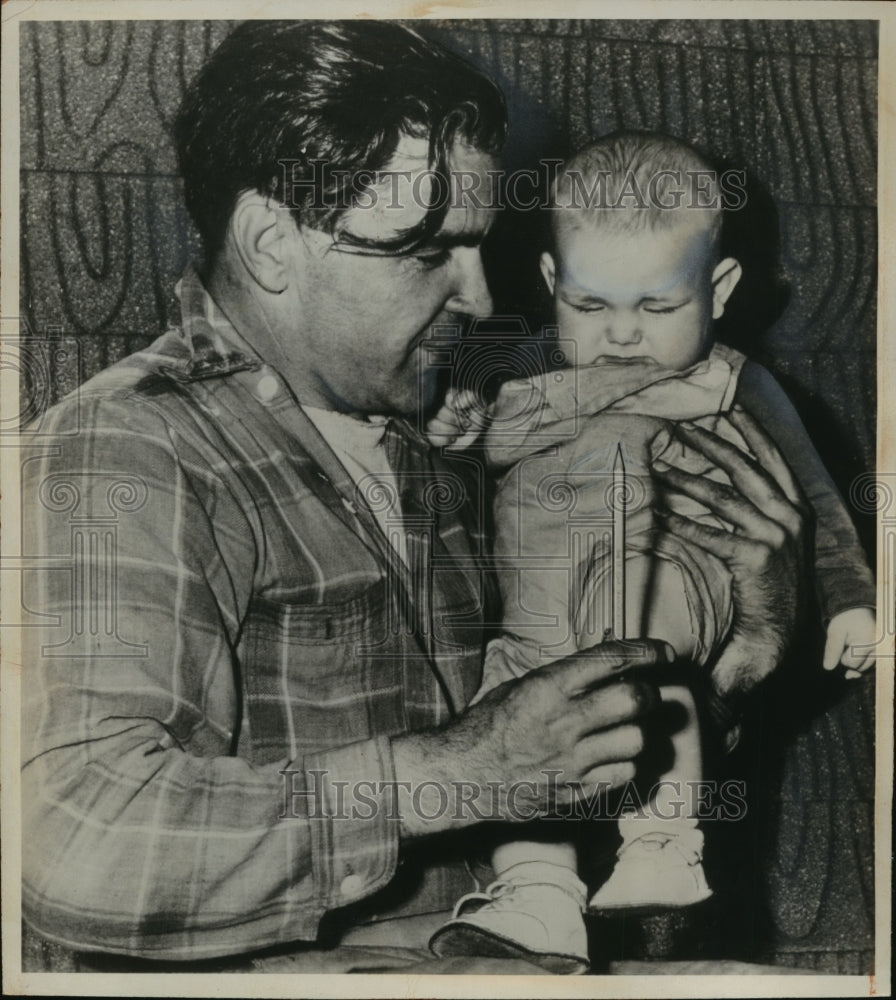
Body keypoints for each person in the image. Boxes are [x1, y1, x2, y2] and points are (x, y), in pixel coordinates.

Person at [20, 26, 808, 973]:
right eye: (425, 250)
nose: (480, 295)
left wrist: (743, 661)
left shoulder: (450, 431)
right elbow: (76, 845)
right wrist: (458, 776)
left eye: (480, 246)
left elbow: (573, 762)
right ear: (274, 243)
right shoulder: (128, 447)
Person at [427, 131, 876, 972]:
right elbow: (458, 471)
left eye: (658, 308)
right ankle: (537, 892)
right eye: (591, 308)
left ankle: (664, 844)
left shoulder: (740, 381)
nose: (623, 336)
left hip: (675, 575)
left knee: (650, 671)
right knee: (520, 699)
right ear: (554, 283)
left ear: (720, 289)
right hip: (543, 594)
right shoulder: (522, 364)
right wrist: (454, 437)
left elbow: (818, 500)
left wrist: (851, 597)